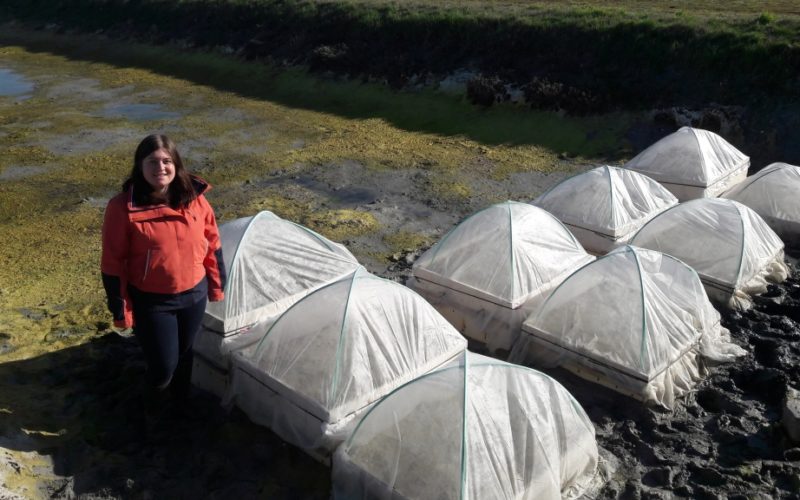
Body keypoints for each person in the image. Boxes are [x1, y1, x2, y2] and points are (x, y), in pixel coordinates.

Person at [101, 134, 226, 416]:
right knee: (163, 367)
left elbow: (212, 243)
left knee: (185, 356)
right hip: (153, 303)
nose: (161, 167)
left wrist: (216, 287)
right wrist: (121, 310)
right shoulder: (122, 208)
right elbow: (112, 263)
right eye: (152, 161)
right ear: (140, 166)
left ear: (176, 165)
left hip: (194, 295)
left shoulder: (195, 199)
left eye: (167, 161)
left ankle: (180, 406)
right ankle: (152, 413)